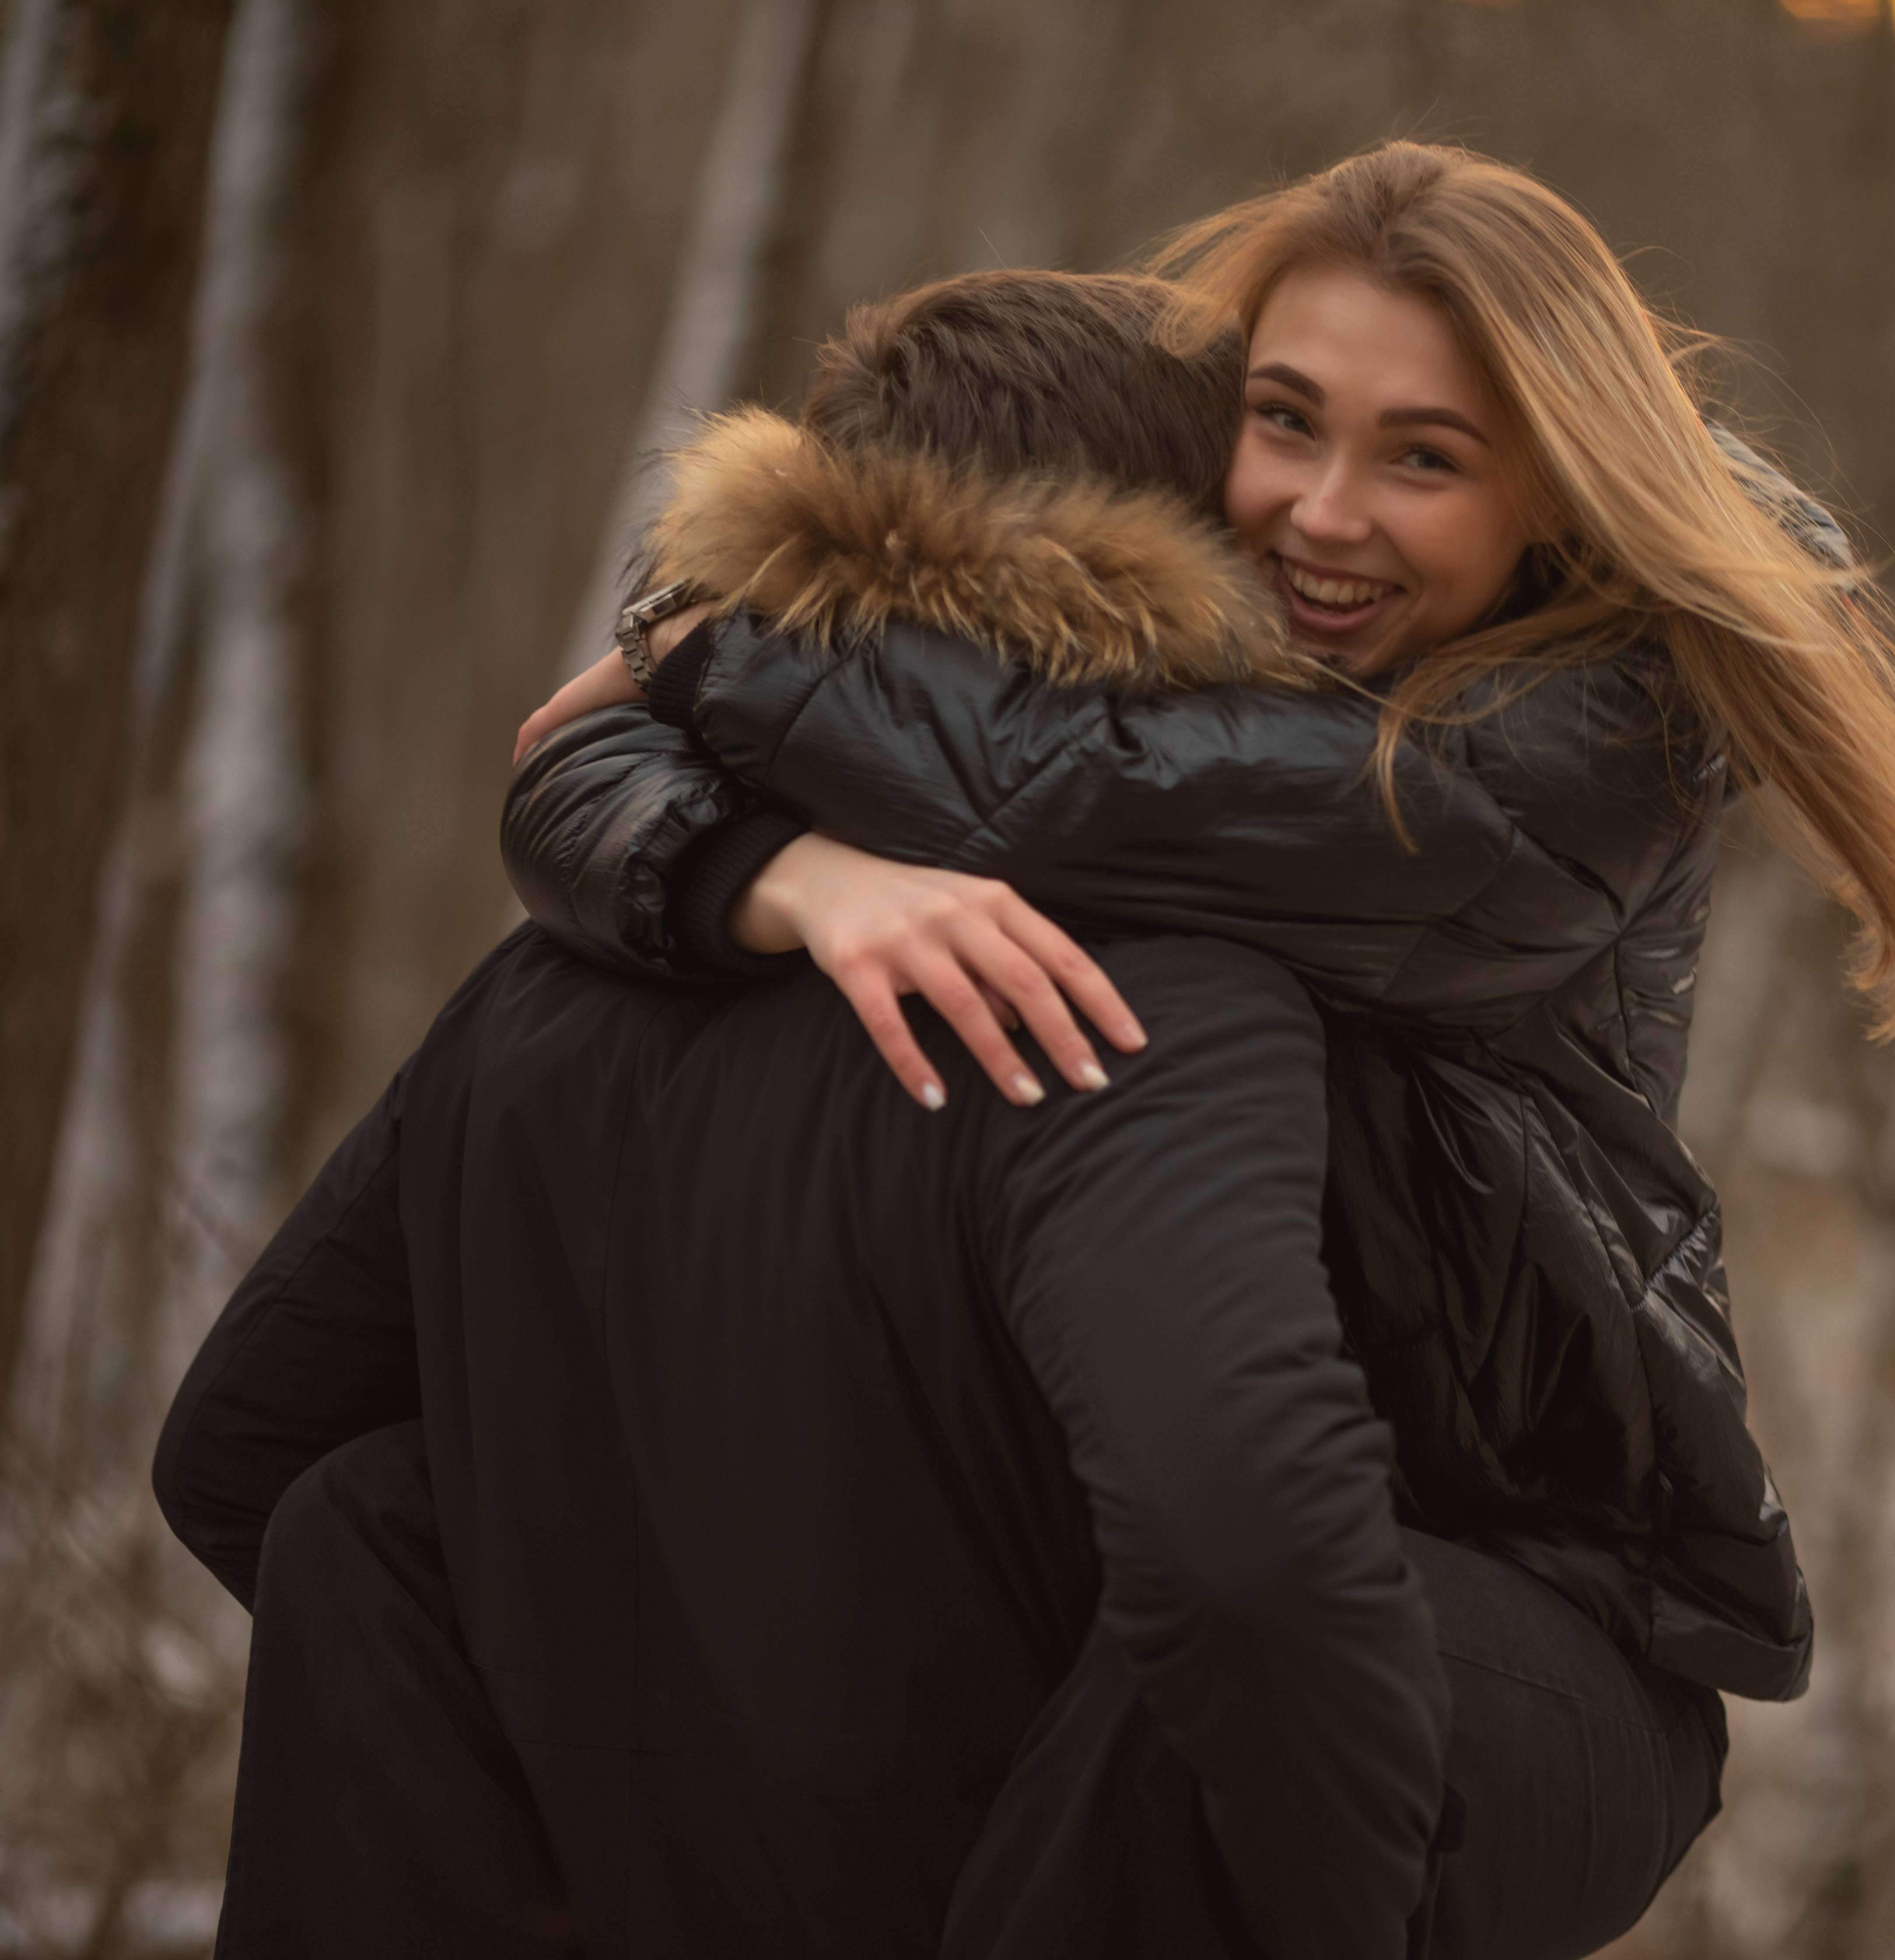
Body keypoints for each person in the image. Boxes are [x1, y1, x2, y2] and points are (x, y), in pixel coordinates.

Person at [160, 265, 1731, 1960]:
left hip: (788, 1849)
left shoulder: (552, 986)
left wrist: (631, 1770)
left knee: (370, 1511)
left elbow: (237, 1449)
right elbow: (1245, 1570)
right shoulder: (1140, 997)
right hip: (1114, 1833)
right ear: (1176, 569)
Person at [509, 142, 1895, 1709]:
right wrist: (789, 874)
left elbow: (1073, 796)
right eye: (1285, 420)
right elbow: (570, 774)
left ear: (1556, 486)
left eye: (1425, 458)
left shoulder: (1586, 749)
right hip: (1200, 1487)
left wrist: (727, 646)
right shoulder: (1207, 590)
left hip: (1513, 1563)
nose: (1323, 513)